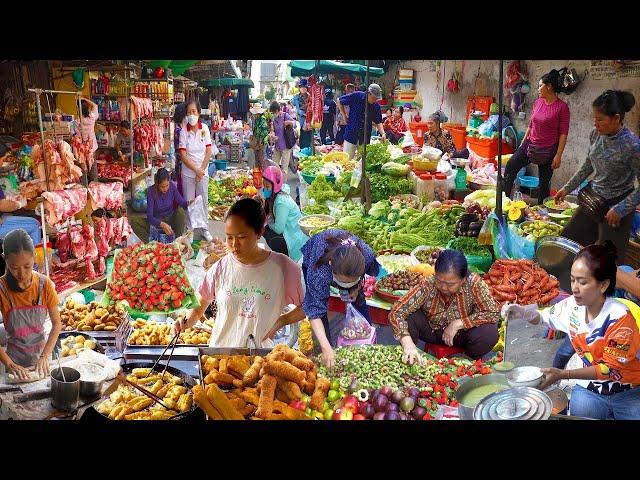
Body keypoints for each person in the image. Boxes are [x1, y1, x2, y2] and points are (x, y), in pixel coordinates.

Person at [502, 242, 640, 420]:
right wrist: (521, 311)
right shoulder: (571, 307)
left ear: (603, 285)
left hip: (628, 390)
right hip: (591, 388)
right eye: (573, 279)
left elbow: (608, 369)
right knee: (580, 413)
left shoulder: (620, 318)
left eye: (582, 282)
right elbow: (543, 317)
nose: (574, 288)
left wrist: (562, 374)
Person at [174, 198, 303, 348]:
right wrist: (185, 321)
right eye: (229, 237)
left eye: (241, 237)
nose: (234, 245)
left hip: (259, 360)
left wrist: (282, 320)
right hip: (219, 358)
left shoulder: (282, 267)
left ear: (259, 232)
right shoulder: (221, 267)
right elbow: (197, 309)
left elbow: (310, 306)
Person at [264, 230, 380, 367]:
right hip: (317, 253)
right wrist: (326, 347)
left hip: (348, 265)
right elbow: (314, 311)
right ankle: (326, 351)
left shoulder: (366, 255)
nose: (345, 285)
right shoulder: (320, 271)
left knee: (358, 302)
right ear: (331, 266)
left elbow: (372, 274)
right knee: (319, 310)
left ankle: (366, 343)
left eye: (350, 281)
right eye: (342, 281)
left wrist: (356, 287)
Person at [556, 90, 640, 259]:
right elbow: (588, 165)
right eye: (594, 118)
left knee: (607, 259)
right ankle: (570, 282)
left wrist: (621, 208)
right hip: (594, 200)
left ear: (616, 118)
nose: (595, 123)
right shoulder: (596, 134)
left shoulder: (632, 145)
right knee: (568, 242)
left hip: (618, 207)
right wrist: (566, 188)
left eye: (600, 119)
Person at [390, 249, 499, 364]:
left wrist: (459, 323)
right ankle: (411, 355)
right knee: (410, 316)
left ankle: (466, 361)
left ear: (462, 280)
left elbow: (492, 313)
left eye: (450, 284)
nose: (443, 287)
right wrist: (407, 342)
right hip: (432, 330)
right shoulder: (429, 283)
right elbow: (397, 311)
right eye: (439, 281)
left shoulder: (474, 284)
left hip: (462, 335)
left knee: (489, 333)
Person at [0, 229, 62, 380]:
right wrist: (9, 364)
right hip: (15, 363)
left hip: (43, 359)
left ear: (35, 256)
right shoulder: (1, 288)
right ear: (4, 259)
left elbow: (57, 323)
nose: (21, 274)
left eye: (27, 266)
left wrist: (45, 356)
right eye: (14, 268)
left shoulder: (44, 284)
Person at [503, 70, 570, 204]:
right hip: (530, 145)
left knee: (544, 184)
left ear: (549, 86)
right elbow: (531, 124)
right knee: (511, 166)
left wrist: (558, 155)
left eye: (540, 85)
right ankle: (504, 201)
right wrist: (522, 144)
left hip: (548, 149)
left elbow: (563, 133)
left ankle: (541, 212)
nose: (538, 89)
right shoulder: (538, 102)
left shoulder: (562, 107)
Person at [178, 100, 213, 242]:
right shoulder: (183, 132)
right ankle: (190, 230)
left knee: (203, 200)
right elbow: (183, 155)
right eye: (189, 112)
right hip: (188, 173)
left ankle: (205, 229)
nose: (191, 115)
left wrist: (202, 170)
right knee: (190, 201)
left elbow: (209, 151)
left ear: (198, 112)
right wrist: (196, 170)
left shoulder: (204, 128)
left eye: (194, 111)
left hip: (202, 172)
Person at [260, 165, 308, 262]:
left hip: (294, 239)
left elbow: (278, 229)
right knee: (265, 228)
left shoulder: (281, 201)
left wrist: (268, 222)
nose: (265, 189)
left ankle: (284, 257)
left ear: (275, 186)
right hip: (290, 230)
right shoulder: (276, 196)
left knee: (267, 232)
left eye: (267, 186)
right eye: (264, 186)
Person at [129, 168, 190, 243]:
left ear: (169, 181)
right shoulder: (151, 191)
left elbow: (182, 202)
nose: (165, 189)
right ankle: (152, 244)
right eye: (162, 186)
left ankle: (177, 241)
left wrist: (189, 203)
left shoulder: (172, 187)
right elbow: (150, 216)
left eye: (167, 185)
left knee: (180, 211)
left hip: (170, 219)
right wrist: (162, 224)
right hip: (156, 222)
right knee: (135, 222)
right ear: (157, 183)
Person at [336, 83, 386, 159]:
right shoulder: (357, 96)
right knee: (347, 159)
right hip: (351, 133)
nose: (375, 100)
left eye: (376, 98)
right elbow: (339, 100)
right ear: (368, 93)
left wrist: (383, 133)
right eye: (374, 98)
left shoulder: (376, 106)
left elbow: (378, 121)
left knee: (362, 161)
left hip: (365, 136)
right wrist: (344, 115)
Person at [76, 95, 100, 183]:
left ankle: (84, 187)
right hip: (91, 147)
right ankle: (95, 186)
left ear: (79, 109)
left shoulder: (77, 121)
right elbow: (95, 106)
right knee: (93, 168)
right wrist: (84, 99)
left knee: (83, 169)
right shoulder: (92, 118)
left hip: (81, 148)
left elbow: (74, 135)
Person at [268, 101, 294, 177]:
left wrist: (289, 122)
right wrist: (272, 135)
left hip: (286, 146)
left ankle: (283, 186)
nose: (273, 114)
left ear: (277, 111)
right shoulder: (273, 119)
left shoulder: (285, 116)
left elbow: (296, 124)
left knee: (284, 168)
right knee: (274, 166)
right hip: (277, 146)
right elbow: (272, 130)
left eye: (273, 112)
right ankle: (275, 184)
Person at [292, 78, 312, 150]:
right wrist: (303, 113)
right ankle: (302, 151)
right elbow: (296, 109)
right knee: (302, 136)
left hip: (310, 120)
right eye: (302, 87)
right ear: (299, 88)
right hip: (301, 120)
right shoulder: (296, 97)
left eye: (304, 87)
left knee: (309, 136)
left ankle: (308, 150)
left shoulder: (310, 96)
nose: (303, 89)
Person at [173, 102, 187, 195]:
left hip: (182, 160)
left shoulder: (182, 127)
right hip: (181, 160)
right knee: (182, 184)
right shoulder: (178, 130)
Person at [249, 104, 269, 170]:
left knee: (261, 159)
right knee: (257, 159)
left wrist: (260, 140)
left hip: (261, 143)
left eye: (255, 113)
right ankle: (257, 174)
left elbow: (264, 132)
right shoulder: (257, 120)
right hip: (257, 142)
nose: (254, 115)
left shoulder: (262, 120)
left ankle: (262, 175)